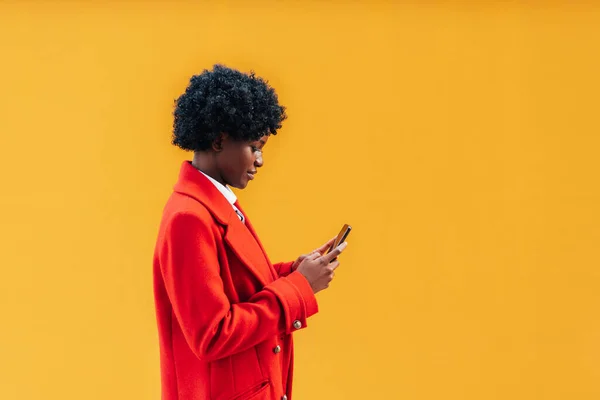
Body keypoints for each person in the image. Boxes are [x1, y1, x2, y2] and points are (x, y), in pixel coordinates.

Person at [153, 65, 348, 400]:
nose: (259, 161)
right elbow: (213, 334)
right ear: (219, 141)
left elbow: (231, 287)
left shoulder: (215, 203)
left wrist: (294, 272)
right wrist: (299, 288)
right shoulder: (189, 218)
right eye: (255, 147)